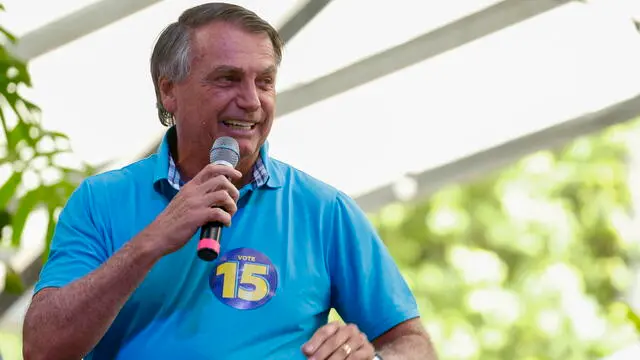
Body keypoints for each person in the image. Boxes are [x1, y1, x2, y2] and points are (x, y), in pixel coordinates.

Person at [22, 3, 437, 360]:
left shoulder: (325, 209)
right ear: (169, 91)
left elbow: (413, 344)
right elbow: (42, 349)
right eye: (228, 78)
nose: (252, 101)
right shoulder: (100, 201)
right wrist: (153, 240)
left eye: (265, 81)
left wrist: (372, 357)